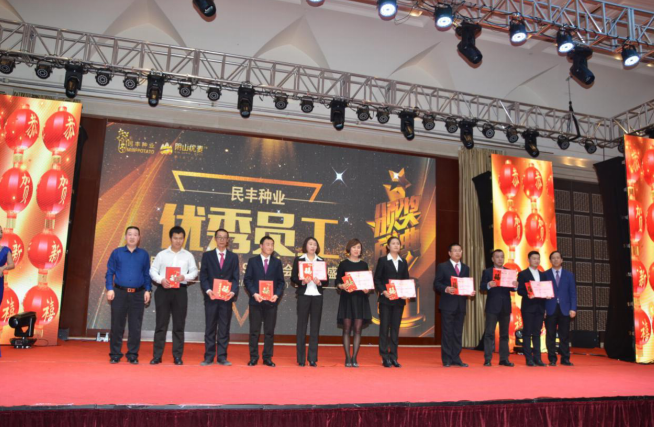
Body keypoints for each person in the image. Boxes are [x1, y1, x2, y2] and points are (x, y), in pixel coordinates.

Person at [148, 226, 198, 365]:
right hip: (163, 291)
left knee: (179, 325)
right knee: (161, 324)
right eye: (175, 238)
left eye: (180, 238)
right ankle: (157, 356)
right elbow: (153, 271)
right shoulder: (161, 255)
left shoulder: (188, 255)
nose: (178, 241)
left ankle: (177, 356)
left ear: (183, 239)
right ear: (170, 238)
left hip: (180, 291)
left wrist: (184, 277)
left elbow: (194, 272)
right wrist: (161, 280)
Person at [105, 226, 151, 364]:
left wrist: (148, 290)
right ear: (125, 237)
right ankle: (115, 354)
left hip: (138, 294)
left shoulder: (144, 254)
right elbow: (109, 272)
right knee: (117, 325)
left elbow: (146, 274)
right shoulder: (117, 252)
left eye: (135, 235)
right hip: (119, 293)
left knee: (135, 326)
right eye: (129, 234)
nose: (132, 237)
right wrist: (109, 288)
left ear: (139, 238)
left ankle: (132, 355)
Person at [200, 228, 240, 366]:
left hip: (226, 299)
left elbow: (235, 278)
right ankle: (209, 357)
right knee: (210, 327)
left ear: (228, 240)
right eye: (219, 237)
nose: (222, 240)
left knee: (224, 328)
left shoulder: (233, 257)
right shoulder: (207, 256)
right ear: (215, 239)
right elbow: (203, 276)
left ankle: (222, 357)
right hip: (211, 298)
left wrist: (232, 292)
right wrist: (208, 290)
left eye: (224, 237)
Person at [244, 236, 285, 367]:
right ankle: (253, 357)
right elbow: (247, 280)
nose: (270, 247)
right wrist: (254, 293)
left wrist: (276, 295)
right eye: (267, 244)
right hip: (256, 301)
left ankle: (267, 358)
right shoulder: (252, 261)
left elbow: (281, 282)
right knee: (254, 331)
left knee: (269, 332)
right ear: (261, 246)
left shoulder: (277, 262)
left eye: (272, 244)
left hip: (271, 302)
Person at [434, 243, 475, 367]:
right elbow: (436, 283)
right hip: (447, 304)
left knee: (458, 333)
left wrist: (470, 291)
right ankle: (446, 359)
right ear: (449, 253)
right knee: (447, 333)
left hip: (461, 305)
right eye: (455, 250)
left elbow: (465, 284)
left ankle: (456, 358)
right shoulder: (443, 266)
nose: (458, 253)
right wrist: (446, 288)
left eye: (460, 251)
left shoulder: (466, 268)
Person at [374, 236, 410, 368]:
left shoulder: (403, 262)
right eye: (393, 243)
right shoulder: (383, 260)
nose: (396, 245)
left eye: (398, 243)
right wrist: (383, 291)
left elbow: (406, 280)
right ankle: (384, 356)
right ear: (388, 246)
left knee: (395, 329)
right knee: (384, 328)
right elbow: (377, 279)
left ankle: (394, 356)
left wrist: (407, 291)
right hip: (386, 300)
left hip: (399, 301)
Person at [335, 238, 372, 367]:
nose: (357, 250)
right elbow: (337, 281)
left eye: (359, 247)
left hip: (360, 299)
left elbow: (367, 283)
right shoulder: (343, 264)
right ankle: (347, 357)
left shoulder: (364, 265)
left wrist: (367, 289)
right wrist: (341, 286)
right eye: (354, 247)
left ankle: (354, 357)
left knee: (357, 329)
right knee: (346, 329)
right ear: (349, 249)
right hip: (347, 299)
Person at [290, 237, 326, 367]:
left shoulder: (321, 261)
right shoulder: (299, 260)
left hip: (317, 296)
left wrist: (320, 282)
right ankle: (301, 359)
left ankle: (312, 358)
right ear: (306, 246)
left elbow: (326, 280)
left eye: (315, 244)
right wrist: (302, 281)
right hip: (303, 296)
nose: (312, 246)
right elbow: (293, 277)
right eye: (310, 244)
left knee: (315, 327)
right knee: (301, 326)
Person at [480, 249, 517, 367]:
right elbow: (482, 287)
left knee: (504, 335)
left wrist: (515, 286)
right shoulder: (487, 272)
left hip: (505, 307)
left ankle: (504, 359)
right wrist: (488, 285)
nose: (500, 259)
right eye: (497, 257)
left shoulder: (509, 272)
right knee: (489, 333)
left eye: (502, 256)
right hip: (492, 307)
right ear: (492, 259)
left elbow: (512, 288)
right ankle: (488, 359)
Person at [544, 251, 577, 366]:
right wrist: (543, 309)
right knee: (550, 335)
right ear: (550, 260)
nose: (556, 260)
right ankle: (552, 359)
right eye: (553, 258)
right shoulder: (545, 275)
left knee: (564, 335)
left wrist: (573, 308)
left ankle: (565, 358)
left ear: (562, 260)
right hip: (550, 308)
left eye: (558, 258)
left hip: (565, 309)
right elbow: (541, 293)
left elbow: (573, 293)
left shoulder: (569, 275)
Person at [517, 250, 548, 367]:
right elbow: (520, 290)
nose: (536, 261)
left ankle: (538, 358)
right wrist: (528, 294)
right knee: (527, 333)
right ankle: (528, 358)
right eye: (534, 258)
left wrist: (547, 295)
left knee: (537, 333)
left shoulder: (543, 275)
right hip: (528, 307)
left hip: (540, 307)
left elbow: (545, 290)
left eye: (538, 258)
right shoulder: (523, 274)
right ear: (528, 260)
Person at [0, 224, 16, 359]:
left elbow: (12, 264)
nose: (0, 233)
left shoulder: (6, 250)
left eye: (0, 231)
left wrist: (3, 268)